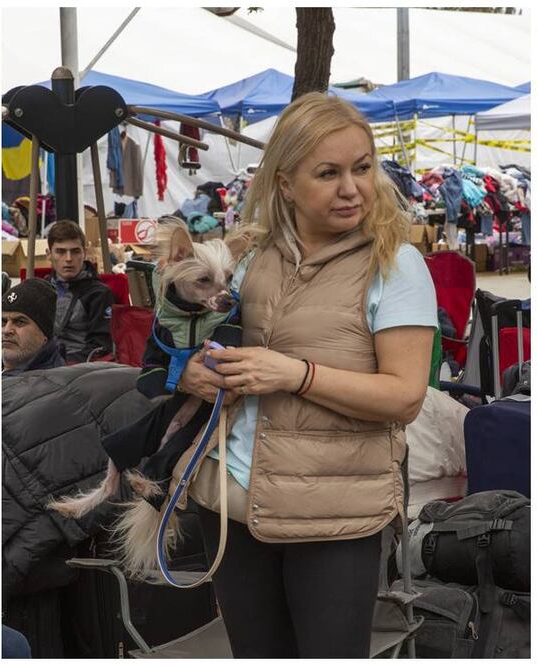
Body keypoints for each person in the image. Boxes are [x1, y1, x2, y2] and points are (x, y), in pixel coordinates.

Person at [175, 93, 437, 658]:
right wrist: (195, 371)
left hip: (333, 515)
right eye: (329, 173)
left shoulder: (394, 263)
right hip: (231, 501)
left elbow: (405, 396)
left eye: (362, 168)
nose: (352, 188)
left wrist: (296, 374)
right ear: (286, 183)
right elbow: (214, 346)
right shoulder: (252, 257)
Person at [44, 220, 115, 363]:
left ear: (85, 253)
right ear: (49, 254)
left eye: (75, 251)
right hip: (42, 361)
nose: (68, 259)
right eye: (61, 251)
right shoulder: (41, 288)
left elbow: (101, 346)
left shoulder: (98, 293)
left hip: (79, 367)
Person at [2, 279, 64, 375]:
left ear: (44, 335)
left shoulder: (44, 384)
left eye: (20, 322)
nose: (6, 330)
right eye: (3, 321)